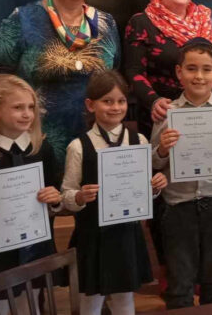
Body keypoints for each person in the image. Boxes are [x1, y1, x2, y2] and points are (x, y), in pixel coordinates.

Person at [0, 0, 121, 167]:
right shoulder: (22, 20)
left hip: (96, 139)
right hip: (36, 141)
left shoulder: (107, 23)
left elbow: (113, 75)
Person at [151, 38, 212, 308]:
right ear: (179, 72)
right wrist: (162, 149)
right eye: (191, 68)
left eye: (206, 69)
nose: (199, 76)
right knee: (179, 282)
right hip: (178, 207)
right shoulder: (166, 112)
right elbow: (154, 163)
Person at [61, 70, 167, 315]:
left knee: (125, 299)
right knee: (91, 302)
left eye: (120, 101)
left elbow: (143, 189)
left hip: (126, 233)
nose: (115, 107)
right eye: (107, 101)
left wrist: (153, 187)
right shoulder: (78, 147)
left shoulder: (139, 141)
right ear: (91, 105)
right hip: (93, 235)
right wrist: (79, 197)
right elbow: (66, 193)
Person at [0, 74, 63, 313]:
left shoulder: (42, 149)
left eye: (31, 107)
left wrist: (54, 198)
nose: (27, 114)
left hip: (37, 241)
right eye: (18, 107)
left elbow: (56, 189)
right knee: (1, 303)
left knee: (33, 301)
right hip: (0, 246)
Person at [124, 0, 212, 137]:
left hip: (205, 113)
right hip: (163, 115)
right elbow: (134, 72)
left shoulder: (204, 19)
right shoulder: (141, 22)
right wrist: (154, 101)